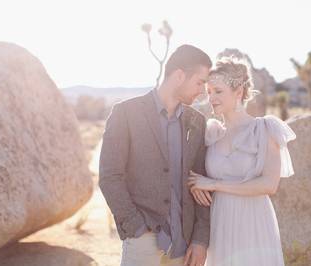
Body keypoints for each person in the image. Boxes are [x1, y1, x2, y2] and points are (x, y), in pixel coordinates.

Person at [99, 44, 212, 266]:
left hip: (184, 245)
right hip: (143, 241)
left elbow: (201, 184)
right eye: (199, 82)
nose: (202, 90)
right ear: (179, 75)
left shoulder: (197, 122)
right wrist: (135, 227)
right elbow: (110, 176)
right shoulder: (126, 114)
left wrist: (200, 240)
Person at [188, 54, 296, 266]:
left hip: (253, 222)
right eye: (209, 92)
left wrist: (214, 184)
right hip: (220, 222)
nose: (212, 98)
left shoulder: (264, 129)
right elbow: (194, 174)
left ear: (239, 92)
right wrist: (194, 184)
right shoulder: (211, 133)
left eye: (218, 91)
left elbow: (269, 184)